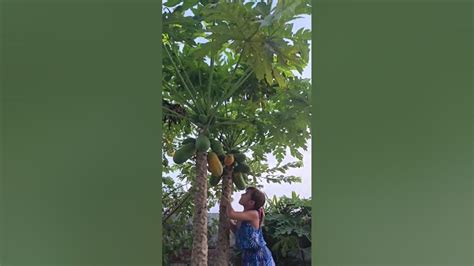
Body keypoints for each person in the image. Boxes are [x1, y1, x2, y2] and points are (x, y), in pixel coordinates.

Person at [224, 186, 276, 266]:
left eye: (246, 194)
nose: (242, 194)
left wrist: (226, 199)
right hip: (248, 256)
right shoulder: (243, 215)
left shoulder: (253, 214)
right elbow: (237, 231)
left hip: (259, 256)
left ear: (251, 202)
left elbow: (231, 214)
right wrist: (227, 221)